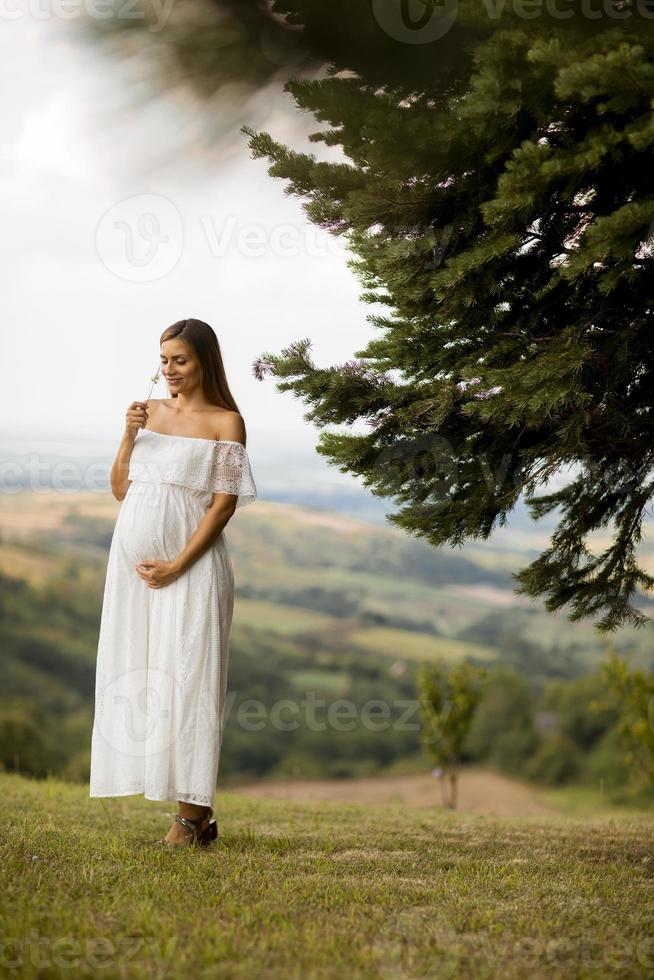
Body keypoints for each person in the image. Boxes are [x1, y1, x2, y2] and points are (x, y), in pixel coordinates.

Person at [89, 318, 257, 848]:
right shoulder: (150, 414)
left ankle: (190, 818)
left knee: (190, 682)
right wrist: (129, 433)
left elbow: (223, 506)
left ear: (204, 360)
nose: (169, 371)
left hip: (193, 569)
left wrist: (179, 564)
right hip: (133, 575)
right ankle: (193, 814)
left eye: (179, 360)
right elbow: (121, 490)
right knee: (143, 679)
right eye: (163, 360)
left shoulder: (226, 422)